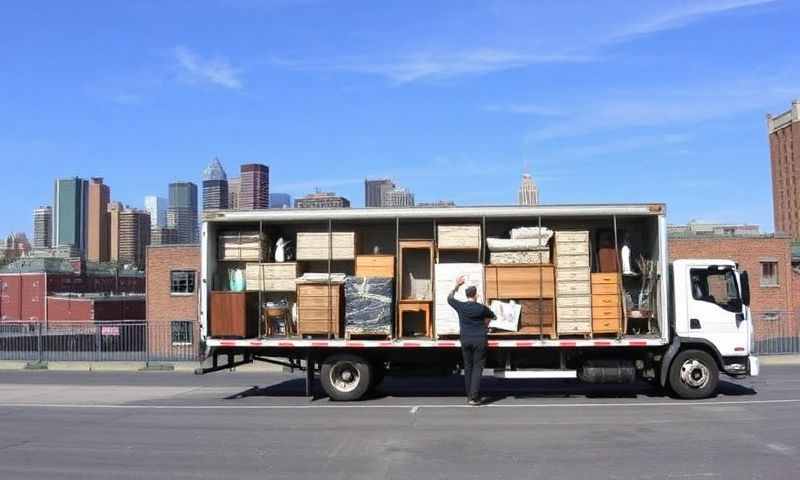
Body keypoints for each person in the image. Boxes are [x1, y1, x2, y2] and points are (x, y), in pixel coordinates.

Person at [447, 275, 496, 406]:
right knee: (477, 368)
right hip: (479, 339)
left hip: (465, 339)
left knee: (468, 368)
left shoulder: (461, 306)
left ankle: (469, 395)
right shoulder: (481, 308)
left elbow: (449, 298)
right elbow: (493, 316)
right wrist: (485, 323)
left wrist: (457, 285)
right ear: (475, 295)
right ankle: (473, 397)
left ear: (466, 294)